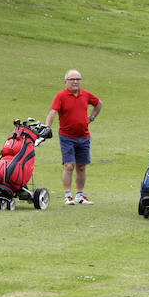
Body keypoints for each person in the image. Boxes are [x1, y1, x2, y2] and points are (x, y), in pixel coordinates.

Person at [45, 69, 102, 205]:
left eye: (78, 79)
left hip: (84, 136)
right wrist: (47, 126)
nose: (75, 82)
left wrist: (91, 117)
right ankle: (68, 195)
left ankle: (79, 195)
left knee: (81, 166)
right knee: (69, 166)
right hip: (67, 136)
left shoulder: (86, 94)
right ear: (66, 82)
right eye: (72, 79)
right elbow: (53, 112)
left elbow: (99, 104)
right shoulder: (61, 96)